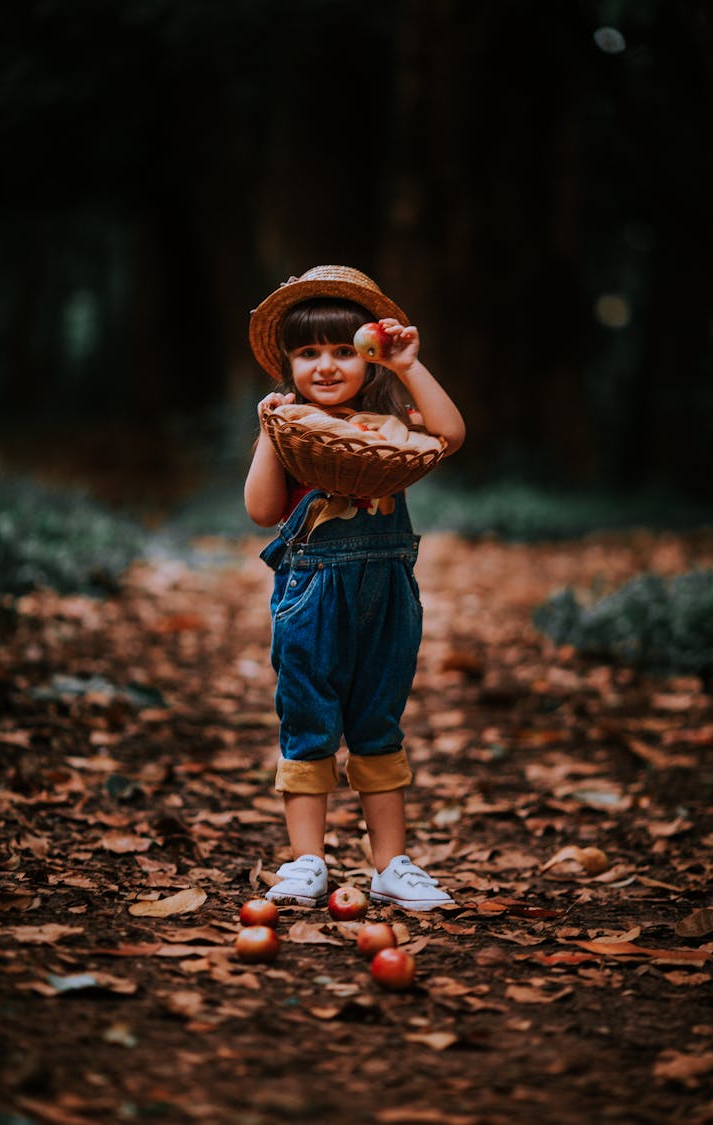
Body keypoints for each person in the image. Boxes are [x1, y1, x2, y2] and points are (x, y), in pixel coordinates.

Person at [244, 265, 465, 910]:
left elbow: (450, 436)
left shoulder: (393, 423)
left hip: (388, 595)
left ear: (366, 360)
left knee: (378, 724)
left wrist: (406, 365)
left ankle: (391, 863)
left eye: (344, 350)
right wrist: (267, 433)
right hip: (310, 597)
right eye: (308, 352)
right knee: (309, 719)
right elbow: (262, 512)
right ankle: (305, 861)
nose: (327, 365)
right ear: (287, 365)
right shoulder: (291, 428)